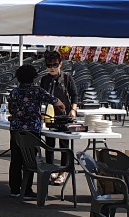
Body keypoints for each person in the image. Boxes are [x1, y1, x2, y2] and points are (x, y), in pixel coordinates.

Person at [8, 63, 66, 198]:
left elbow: (11, 108)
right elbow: (55, 101)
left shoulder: (14, 91)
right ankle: (26, 189)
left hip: (16, 129)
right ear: (33, 77)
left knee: (16, 160)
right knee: (29, 161)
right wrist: (62, 106)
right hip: (32, 130)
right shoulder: (37, 91)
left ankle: (14, 189)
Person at [39, 50, 78, 184]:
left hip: (64, 115)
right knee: (49, 144)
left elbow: (74, 95)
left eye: (55, 65)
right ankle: (51, 170)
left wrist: (73, 109)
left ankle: (63, 171)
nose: (52, 68)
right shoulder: (45, 79)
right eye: (49, 65)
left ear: (60, 64)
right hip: (49, 114)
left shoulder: (67, 78)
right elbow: (41, 96)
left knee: (64, 144)